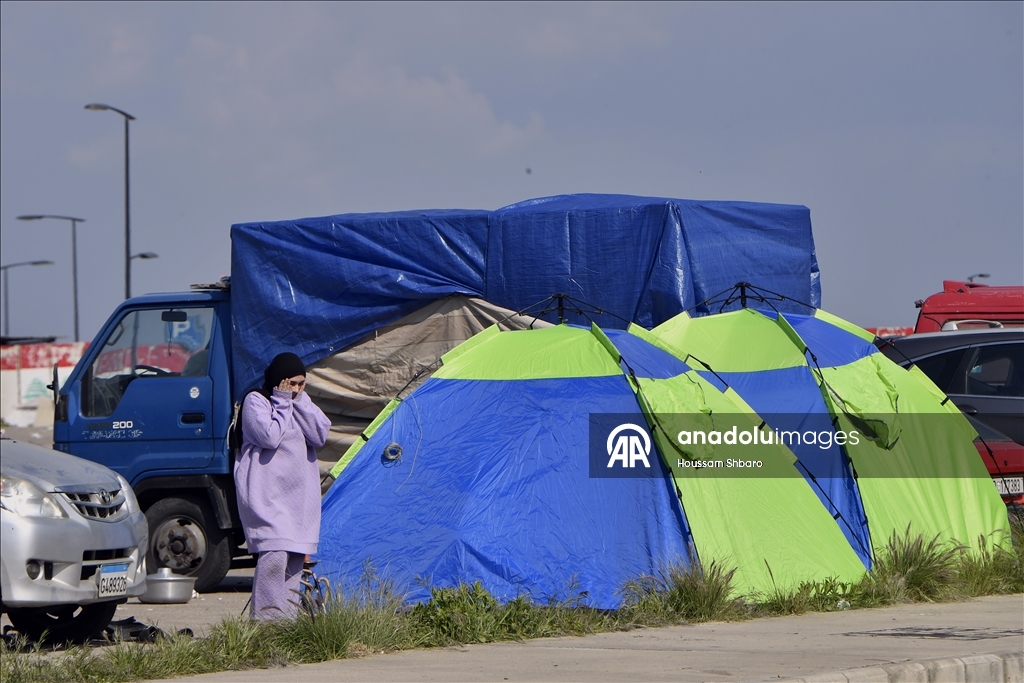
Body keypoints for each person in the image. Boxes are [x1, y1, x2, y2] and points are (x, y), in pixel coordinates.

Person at [234, 352, 330, 620]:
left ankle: (285, 624)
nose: (297, 389)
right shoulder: (257, 400)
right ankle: (265, 624)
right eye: (293, 383)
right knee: (274, 556)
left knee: (294, 562)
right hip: (269, 497)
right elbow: (269, 436)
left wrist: (299, 401)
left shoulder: (299, 402)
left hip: (299, 503)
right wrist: (283, 400)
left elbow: (320, 433)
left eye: (302, 384)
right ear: (280, 381)